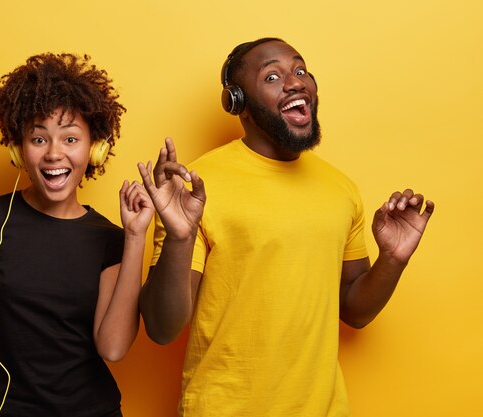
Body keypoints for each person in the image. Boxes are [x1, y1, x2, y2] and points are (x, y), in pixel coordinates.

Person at [137, 38, 435, 417]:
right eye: (273, 76)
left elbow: (355, 311)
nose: (295, 82)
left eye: (300, 70)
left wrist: (393, 260)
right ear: (237, 103)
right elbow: (162, 328)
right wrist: (179, 235)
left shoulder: (340, 189)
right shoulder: (194, 189)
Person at [0, 53, 153, 417]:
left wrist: (135, 237)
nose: (55, 154)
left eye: (71, 139)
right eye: (38, 139)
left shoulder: (111, 239)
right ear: (17, 149)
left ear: (95, 149)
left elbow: (113, 348)